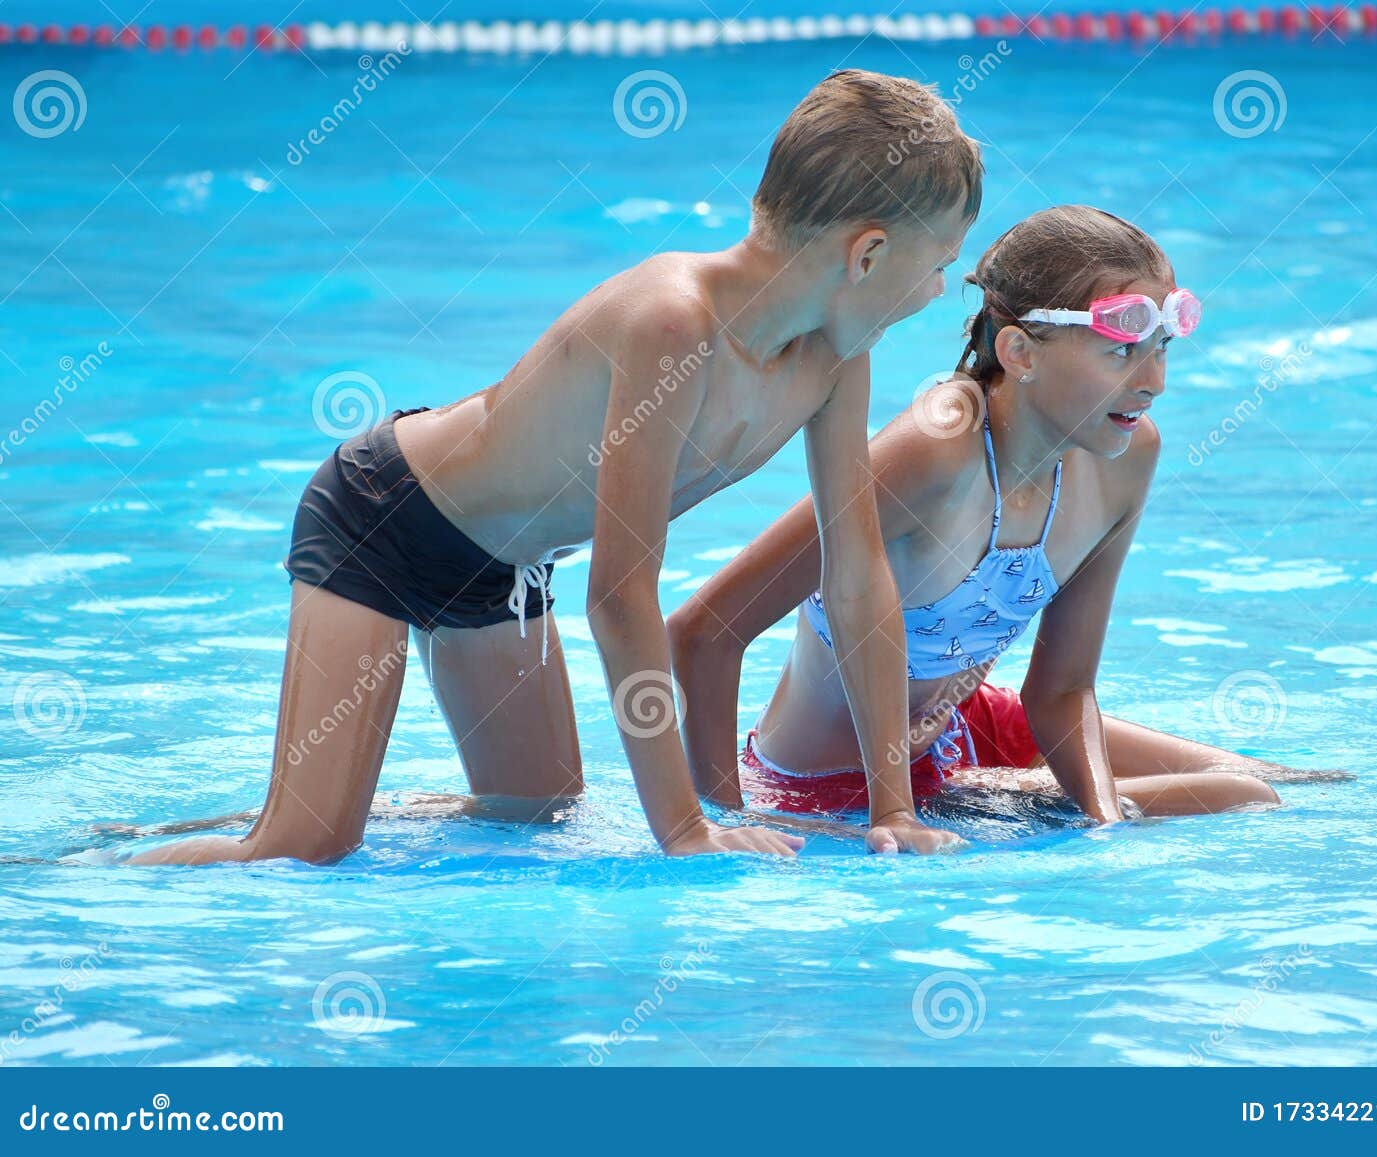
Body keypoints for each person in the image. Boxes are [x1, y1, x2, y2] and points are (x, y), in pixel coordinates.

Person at [128, 70, 982, 865]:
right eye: (940, 264)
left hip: (500, 566)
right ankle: (90, 863)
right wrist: (684, 827)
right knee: (299, 848)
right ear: (866, 255)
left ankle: (328, 796)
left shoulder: (833, 359)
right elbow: (618, 595)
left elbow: (858, 573)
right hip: (384, 518)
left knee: (533, 813)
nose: (941, 290)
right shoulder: (673, 324)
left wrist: (892, 809)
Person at [671, 206, 1345, 828]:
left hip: (966, 731)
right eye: (1123, 351)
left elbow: (1063, 691)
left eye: (1162, 348)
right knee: (1246, 799)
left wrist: (1101, 815)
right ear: (1021, 353)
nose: (1153, 382)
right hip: (837, 788)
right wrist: (727, 822)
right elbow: (703, 631)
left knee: (1285, 778)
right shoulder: (933, 450)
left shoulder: (1124, 456)